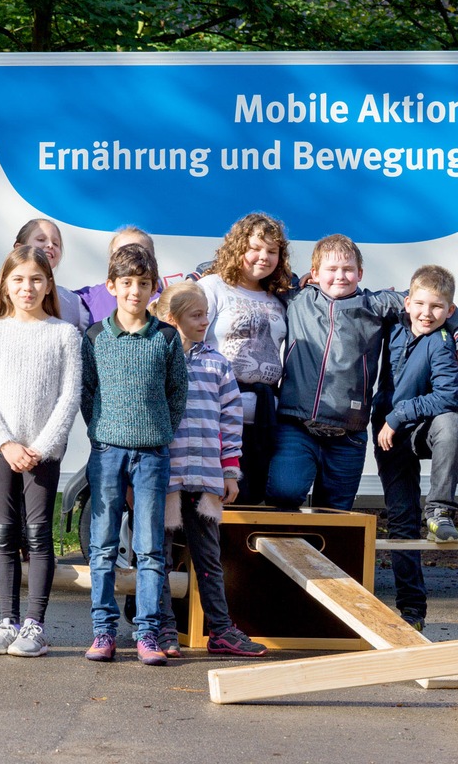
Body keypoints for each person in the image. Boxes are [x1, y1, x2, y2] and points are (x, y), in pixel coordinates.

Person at [266, 235, 458, 511]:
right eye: (331, 270)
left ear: (360, 273)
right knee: (285, 492)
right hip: (297, 425)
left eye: (348, 269)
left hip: (348, 435)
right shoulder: (296, 297)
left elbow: (432, 298)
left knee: (335, 517)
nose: (340, 276)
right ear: (315, 274)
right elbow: (244, 269)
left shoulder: (376, 304)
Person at [0, 246, 81, 657]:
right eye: (18, 279)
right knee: (3, 533)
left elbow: (69, 398)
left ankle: (34, 624)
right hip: (0, 450)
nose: (27, 287)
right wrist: (6, 443)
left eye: (36, 279)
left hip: (42, 454)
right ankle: (6, 621)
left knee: (37, 534)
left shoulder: (64, 334)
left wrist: (39, 447)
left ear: (48, 284)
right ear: (5, 285)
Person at [81, 243, 187, 666]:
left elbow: (177, 392)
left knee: (149, 549)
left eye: (143, 284)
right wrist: (101, 433)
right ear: (112, 286)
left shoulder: (164, 337)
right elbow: (87, 393)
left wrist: (160, 431)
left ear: (153, 287)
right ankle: (103, 630)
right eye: (126, 283)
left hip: (152, 456)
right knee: (103, 545)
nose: (134, 292)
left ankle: (146, 632)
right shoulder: (95, 337)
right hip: (107, 452)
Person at [152, 282, 266, 658]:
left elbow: (231, 419)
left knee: (209, 559)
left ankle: (220, 630)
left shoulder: (217, 363)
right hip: (164, 477)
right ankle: (164, 629)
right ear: (173, 319)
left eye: (206, 314)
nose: (205, 321)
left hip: (205, 479)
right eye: (196, 315)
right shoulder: (155, 355)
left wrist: (230, 470)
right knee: (160, 558)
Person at [372, 265, 458, 630]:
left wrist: (398, 415)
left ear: (449, 311)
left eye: (438, 307)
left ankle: (440, 511)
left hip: (418, 429)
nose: (427, 314)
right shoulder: (391, 324)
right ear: (408, 302)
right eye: (421, 304)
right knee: (400, 521)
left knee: (451, 422)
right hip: (388, 436)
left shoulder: (443, 342)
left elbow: (448, 395)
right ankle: (412, 612)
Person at [196, 212, 293, 505]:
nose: (263, 257)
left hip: (263, 419)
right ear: (238, 247)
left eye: (272, 251)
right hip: (217, 417)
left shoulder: (279, 297)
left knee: (251, 499)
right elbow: (191, 344)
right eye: (255, 248)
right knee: (212, 501)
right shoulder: (212, 287)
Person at [75, 226, 159, 325]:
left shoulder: (165, 302)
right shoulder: (86, 299)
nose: (133, 259)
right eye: (123, 253)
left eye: (141, 252)